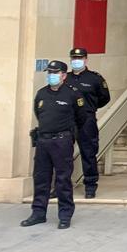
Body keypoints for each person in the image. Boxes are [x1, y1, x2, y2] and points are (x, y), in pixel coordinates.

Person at [22, 60, 86, 229]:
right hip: (43, 141)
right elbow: (38, 113)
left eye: (55, 73)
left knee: (62, 179)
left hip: (61, 141)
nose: (51, 75)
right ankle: (38, 213)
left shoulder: (73, 94)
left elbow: (82, 117)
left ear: (63, 75)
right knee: (41, 178)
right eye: (49, 72)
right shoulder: (42, 93)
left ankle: (65, 215)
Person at [65, 47, 111, 199]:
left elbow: (105, 98)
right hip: (68, 119)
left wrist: (90, 108)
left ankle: (90, 185)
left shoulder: (94, 78)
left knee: (88, 152)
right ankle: (62, 185)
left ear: (86, 59)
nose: (76, 61)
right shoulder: (66, 78)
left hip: (86, 119)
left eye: (80, 58)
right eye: (74, 58)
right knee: (62, 154)